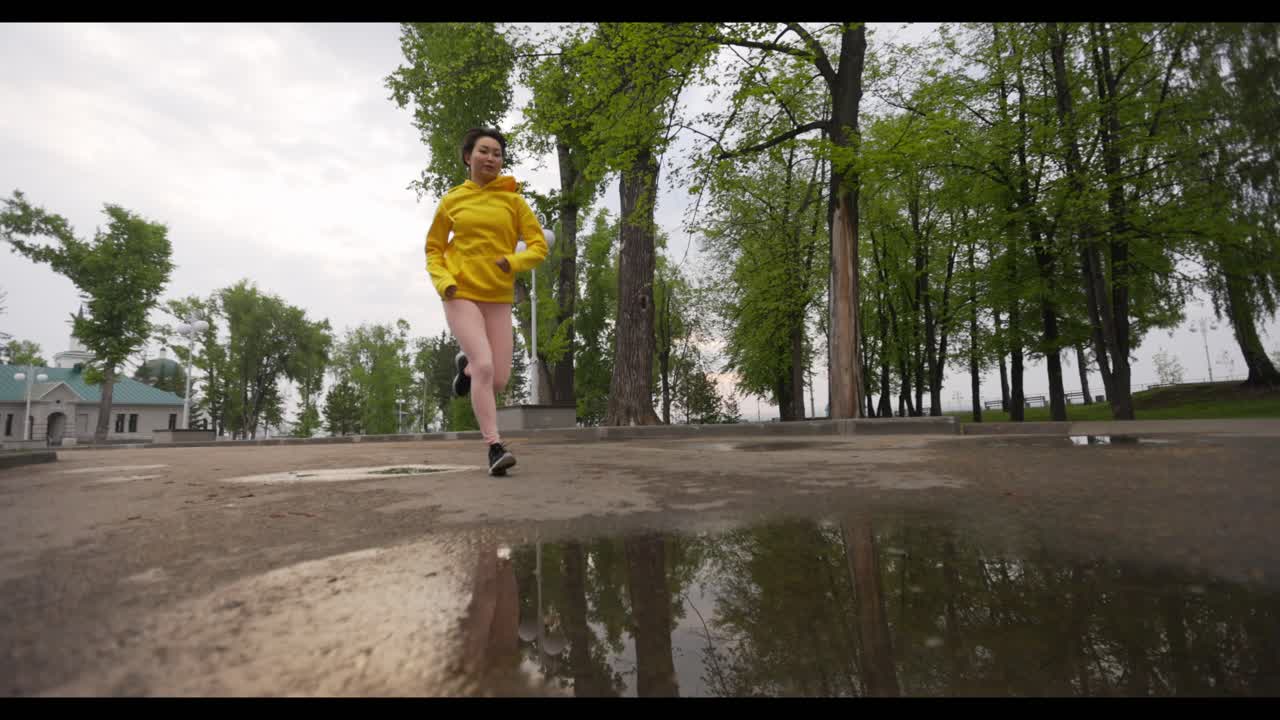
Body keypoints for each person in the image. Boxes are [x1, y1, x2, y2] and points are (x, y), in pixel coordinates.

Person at [425, 127, 548, 476]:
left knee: (497, 379)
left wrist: (514, 261)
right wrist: (444, 281)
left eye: (497, 153)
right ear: (468, 157)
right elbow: (434, 249)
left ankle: (465, 368)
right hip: (460, 292)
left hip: (497, 296)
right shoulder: (452, 200)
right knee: (485, 366)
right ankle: (494, 447)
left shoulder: (514, 202)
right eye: (484, 151)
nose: (491, 158)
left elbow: (538, 246)